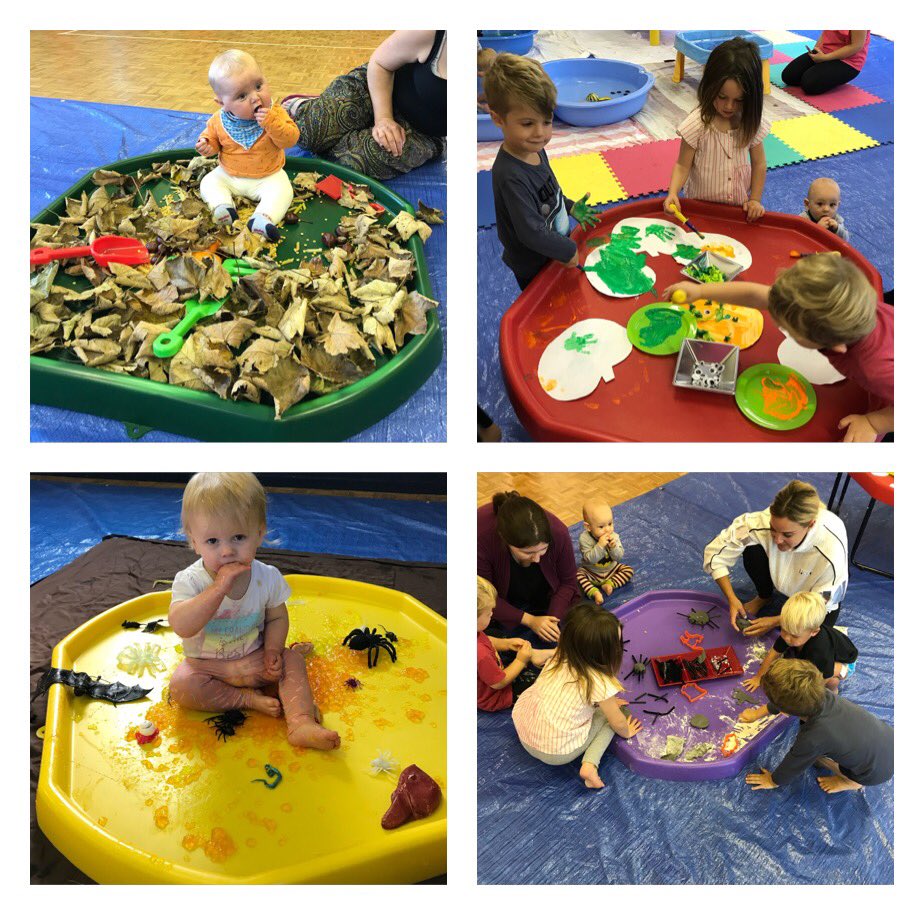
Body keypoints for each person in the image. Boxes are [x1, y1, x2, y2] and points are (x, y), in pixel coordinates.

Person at [168, 472, 340, 751]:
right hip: (208, 668)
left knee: (292, 660)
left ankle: (301, 722)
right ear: (193, 540)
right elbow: (182, 625)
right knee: (181, 686)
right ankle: (248, 700)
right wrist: (218, 588)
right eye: (212, 541)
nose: (226, 551)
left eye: (238, 537)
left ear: (259, 533)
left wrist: (273, 650)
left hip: (255, 658)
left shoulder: (267, 577)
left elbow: (276, 616)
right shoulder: (191, 581)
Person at [665, 253, 893, 442]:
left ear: (836, 347)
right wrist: (703, 292)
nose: (777, 323)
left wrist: (873, 422)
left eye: (790, 330)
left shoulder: (875, 369)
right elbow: (756, 295)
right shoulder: (837, 311)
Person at [482, 53, 599, 291]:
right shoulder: (510, 175)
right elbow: (530, 233)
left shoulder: (535, 148)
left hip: (554, 248)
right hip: (533, 264)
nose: (540, 133)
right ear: (497, 118)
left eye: (547, 122)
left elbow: (550, 192)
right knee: (545, 308)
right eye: (527, 124)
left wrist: (569, 206)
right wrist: (566, 250)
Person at [282, 31, 446, 181]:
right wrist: (383, 118)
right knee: (307, 134)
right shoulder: (431, 31)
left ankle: (329, 122)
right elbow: (380, 64)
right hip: (378, 88)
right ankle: (307, 107)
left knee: (349, 165)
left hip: (423, 131)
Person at [512, 602, 642, 789]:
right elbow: (618, 723)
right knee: (616, 715)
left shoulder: (559, 655)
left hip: (524, 728)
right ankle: (590, 766)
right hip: (555, 753)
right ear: (604, 652)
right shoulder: (599, 680)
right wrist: (626, 729)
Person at [702, 480, 848, 637]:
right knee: (753, 547)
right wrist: (731, 598)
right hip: (785, 575)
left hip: (812, 594)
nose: (777, 540)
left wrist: (777, 621)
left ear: (810, 525)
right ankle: (764, 596)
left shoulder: (831, 550)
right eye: (773, 529)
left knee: (813, 641)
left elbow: (823, 601)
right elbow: (716, 552)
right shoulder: (762, 521)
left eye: (787, 534)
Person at [744, 659, 893, 794]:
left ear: (784, 711)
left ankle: (851, 782)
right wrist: (758, 713)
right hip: (890, 740)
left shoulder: (812, 738)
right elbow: (789, 701)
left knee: (818, 759)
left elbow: (794, 764)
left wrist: (773, 781)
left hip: (873, 774)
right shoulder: (823, 694)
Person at [196, 50, 300, 241]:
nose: (255, 98)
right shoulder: (219, 120)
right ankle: (222, 207)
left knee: (284, 190)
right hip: (229, 175)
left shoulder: (275, 113)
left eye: (259, 86)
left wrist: (272, 124)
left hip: (268, 176)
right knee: (209, 183)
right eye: (242, 96)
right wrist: (207, 145)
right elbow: (212, 140)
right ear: (222, 103)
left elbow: (291, 139)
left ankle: (262, 218)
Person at [665, 37, 769, 223]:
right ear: (710, 87)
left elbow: (759, 163)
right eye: (722, 97)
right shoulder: (697, 124)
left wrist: (754, 199)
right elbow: (682, 165)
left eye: (739, 100)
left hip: (737, 210)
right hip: (700, 209)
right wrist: (673, 193)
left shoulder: (749, 121)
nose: (729, 106)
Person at [477, 491, 581, 644]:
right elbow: (483, 596)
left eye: (543, 549)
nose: (537, 559)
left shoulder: (559, 533)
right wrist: (530, 620)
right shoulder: (480, 538)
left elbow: (568, 582)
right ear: (505, 540)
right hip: (500, 594)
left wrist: (551, 621)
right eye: (528, 552)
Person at [739, 592, 858, 721]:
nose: (786, 638)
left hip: (843, 661)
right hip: (825, 650)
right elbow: (774, 652)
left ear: (814, 632)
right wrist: (758, 677)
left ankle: (834, 693)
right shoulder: (792, 632)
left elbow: (806, 689)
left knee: (829, 682)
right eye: (784, 630)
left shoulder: (818, 652)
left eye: (794, 636)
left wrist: (758, 713)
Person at [476, 576, 554, 712]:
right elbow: (498, 683)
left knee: (497, 634)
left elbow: (486, 638)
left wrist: (506, 643)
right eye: (488, 613)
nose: (492, 614)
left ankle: (533, 655)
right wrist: (520, 660)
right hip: (496, 696)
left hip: (490, 668)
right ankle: (531, 656)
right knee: (538, 682)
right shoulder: (480, 654)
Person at [577, 498, 634, 605]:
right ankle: (594, 592)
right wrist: (600, 546)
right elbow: (589, 559)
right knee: (578, 575)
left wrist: (613, 548)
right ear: (588, 527)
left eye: (610, 523)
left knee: (628, 570)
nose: (607, 529)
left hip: (611, 570)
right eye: (601, 526)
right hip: (591, 572)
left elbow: (618, 557)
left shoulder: (614, 536)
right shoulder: (584, 539)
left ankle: (610, 584)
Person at [782, 31, 871, 96]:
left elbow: (856, 46)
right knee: (789, 76)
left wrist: (825, 58)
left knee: (810, 85)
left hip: (848, 61)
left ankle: (832, 75)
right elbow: (826, 33)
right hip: (825, 52)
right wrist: (817, 50)